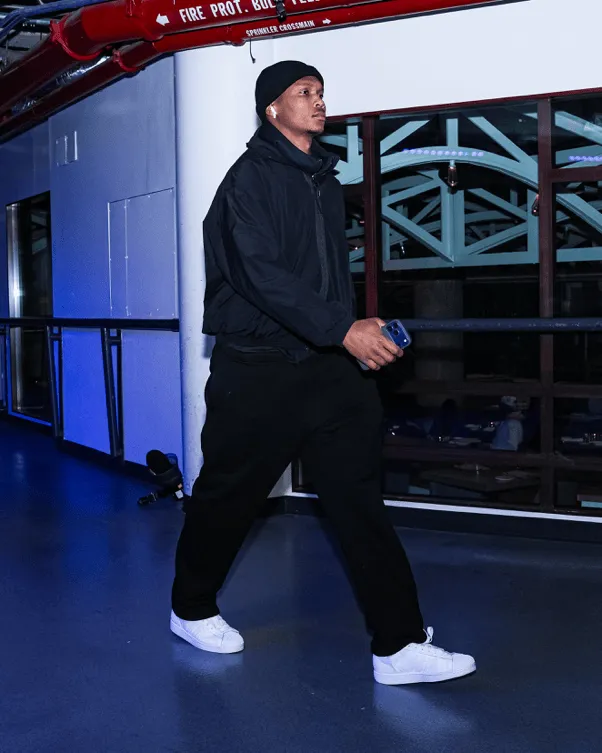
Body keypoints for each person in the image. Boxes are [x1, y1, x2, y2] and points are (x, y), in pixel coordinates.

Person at [170, 60, 476, 685]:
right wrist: (342, 328)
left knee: (358, 500)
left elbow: (324, 280)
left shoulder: (323, 182)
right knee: (227, 498)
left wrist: (354, 332)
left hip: (329, 368)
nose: (317, 101)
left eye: (320, 92)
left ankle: (398, 645)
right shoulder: (247, 182)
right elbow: (260, 276)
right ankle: (190, 607)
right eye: (302, 93)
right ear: (272, 110)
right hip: (258, 371)